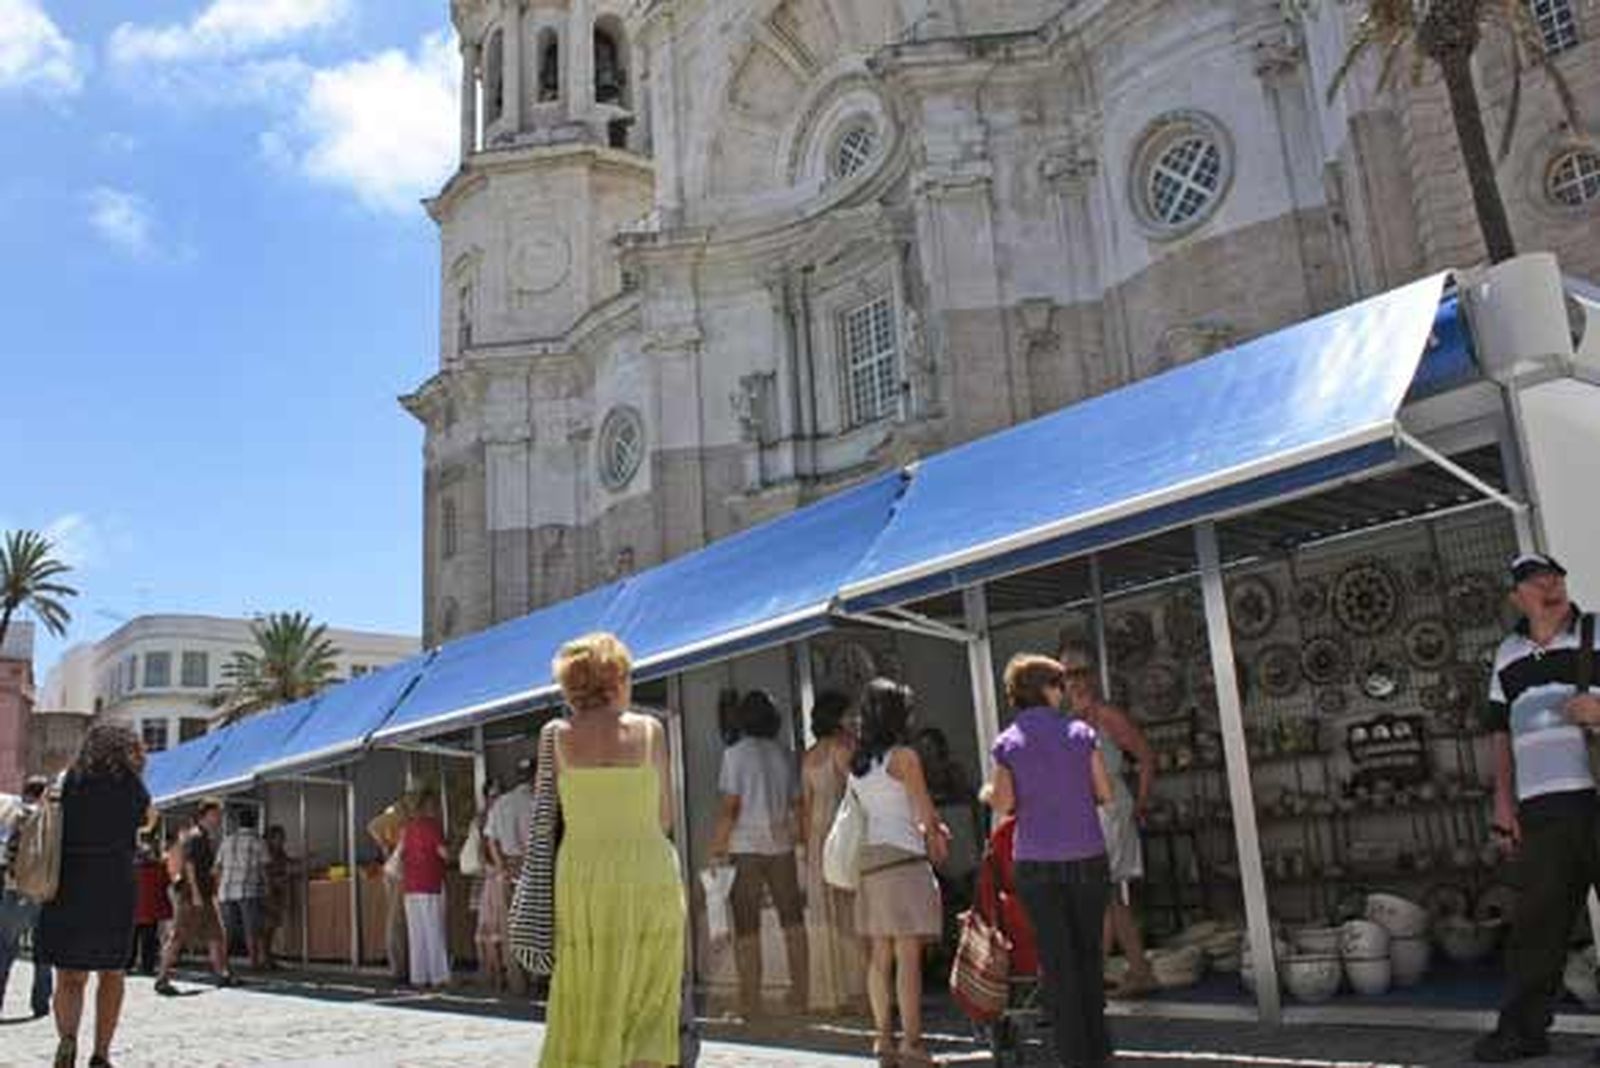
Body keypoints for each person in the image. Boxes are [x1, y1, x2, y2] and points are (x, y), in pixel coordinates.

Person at [1473, 553, 1600, 1062]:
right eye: (1534, 580)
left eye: (1555, 576)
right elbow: (1500, 734)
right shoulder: (1507, 655)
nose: (1549, 585)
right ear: (1516, 597)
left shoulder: (1595, 633)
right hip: (1541, 811)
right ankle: (1522, 1032)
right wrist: (1504, 804)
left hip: (1594, 797)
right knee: (1538, 927)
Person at [539, 632, 684, 1068]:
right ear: (617, 677)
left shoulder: (557, 736)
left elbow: (550, 811)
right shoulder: (648, 731)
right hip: (647, 870)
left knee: (588, 988)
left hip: (583, 876)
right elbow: (665, 816)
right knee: (650, 995)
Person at [984, 654, 1114, 1068]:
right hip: (1086, 856)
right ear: (1046, 689)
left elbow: (1004, 805)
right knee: (1088, 956)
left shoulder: (1008, 743)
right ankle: (1099, 1053)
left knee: (1057, 964)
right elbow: (1105, 792)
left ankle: (1073, 1057)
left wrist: (989, 792)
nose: (1063, 693)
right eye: (1059, 685)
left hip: (1036, 862)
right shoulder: (1080, 733)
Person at [35, 724, 153, 1068]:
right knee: (112, 973)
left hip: (67, 883)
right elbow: (146, 822)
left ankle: (67, 1041)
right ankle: (101, 1054)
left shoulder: (67, 781)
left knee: (69, 975)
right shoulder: (131, 786)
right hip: (114, 885)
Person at [849, 678, 949, 1068]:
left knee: (879, 955)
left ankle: (882, 1039)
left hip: (871, 861)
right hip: (904, 860)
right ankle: (913, 1043)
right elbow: (924, 813)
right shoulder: (905, 757)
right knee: (909, 955)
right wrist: (937, 833)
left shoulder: (857, 765)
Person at [1059, 640, 1158, 997]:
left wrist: (1142, 802)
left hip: (1111, 810)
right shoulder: (1068, 721)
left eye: (1082, 672)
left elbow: (1145, 755)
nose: (1076, 680)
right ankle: (1132, 970)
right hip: (1089, 814)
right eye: (1069, 674)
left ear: (1094, 677)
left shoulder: (1106, 716)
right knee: (1105, 895)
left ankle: (1106, 973)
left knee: (1101, 893)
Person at [708, 689, 808, 1018]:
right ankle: (801, 992)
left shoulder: (734, 754)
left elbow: (730, 807)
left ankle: (750, 1000)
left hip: (745, 848)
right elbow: (796, 804)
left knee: (747, 926)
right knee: (792, 921)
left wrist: (717, 848)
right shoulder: (784, 754)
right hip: (781, 846)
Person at [799, 690, 864, 1013]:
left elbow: (806, 807)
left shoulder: (809, 756)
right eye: (848, 715)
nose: (853, 720)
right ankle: (858, 989)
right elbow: (856, 792)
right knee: (851, 912)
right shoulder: (844, 749)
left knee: (823, 914)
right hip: (842, 833)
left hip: (816, 837)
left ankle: (828, 993)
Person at [914, 726, 982, 976]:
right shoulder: (915, 773)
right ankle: (938, 956)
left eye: (931, 747)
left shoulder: (953, 771)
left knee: (962, 896)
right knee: (937, 899)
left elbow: (968, 798)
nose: (927, 753)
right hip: (930, 842)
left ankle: (965, 952)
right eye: (922, 747)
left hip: (958, 838)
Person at [155, 799, 233, 996]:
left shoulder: (205, 836)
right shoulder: (195, 836)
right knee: (178, 937)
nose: (218, 818)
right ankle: (162, 978)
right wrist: (197, 893)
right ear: (205, 815)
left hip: (203, 895)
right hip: (192, 896)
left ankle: (221, 974)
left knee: (217, 934)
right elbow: (189, 865)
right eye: (215, 814)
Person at [0, 776, 53, 1019]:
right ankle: (41, 1004)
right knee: (43, 951)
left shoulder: (19, 815)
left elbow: (10, 853)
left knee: (5, 947)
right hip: (45, 892)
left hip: (17, 890)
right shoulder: (52, 819)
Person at [486, 755, 536, 995]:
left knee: (510, 928)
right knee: (536, 924)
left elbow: (491, 839)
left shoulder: (501, 803)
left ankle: (518, 983)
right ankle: (538, 979)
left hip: (505, 869)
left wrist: (501, 867)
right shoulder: (535, 802)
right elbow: (533, 842)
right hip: (530, 868)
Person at [399, 792, 451, 990]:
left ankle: (418, 977)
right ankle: (438, 977)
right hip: (430, 884)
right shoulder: (432, 827)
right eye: (435, 805)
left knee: (416, 933)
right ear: (428, 807)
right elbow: (444, 853)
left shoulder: (407, 829)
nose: (437, 809)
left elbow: (402, 854)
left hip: (410, 886)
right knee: (434, 930)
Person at [367, 789, 414, 985]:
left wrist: (385, 847)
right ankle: (400, 968)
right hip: (398, 873)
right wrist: (386, 846)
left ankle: (402, 966)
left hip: (393, 871)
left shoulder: (397, 820)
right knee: (397, 921)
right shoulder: (399, 818)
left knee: (398, 921)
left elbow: (372, 827)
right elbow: (372, 826)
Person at [215, 807, 269, 970]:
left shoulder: (227, 840)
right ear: (254, 823)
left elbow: (217, 867)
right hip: (248, 890)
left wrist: (218, 887)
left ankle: (224, 964)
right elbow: (265, 867)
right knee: (251, 928)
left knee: (227, 930)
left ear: (238, 823)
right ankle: (254, 963)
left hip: (225, 890)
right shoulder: (258, 841)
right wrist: (268, 886)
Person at [473, 779, 507, 992]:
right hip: (491, 876)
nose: (496, 798)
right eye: (493, 794)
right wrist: (493, 867)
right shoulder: (484, 818)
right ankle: (493, 972)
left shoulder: (489, 816)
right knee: (491, 925)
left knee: (491, 926)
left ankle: (495, 972)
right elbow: (481, 849)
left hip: (490, 875)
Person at [127, 832, 171, 977]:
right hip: (151, 912)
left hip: (133, 911)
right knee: (149, 940)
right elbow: (166, 883)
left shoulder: (131, 871)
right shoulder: (159, 869)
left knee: (132, 940)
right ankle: (147, 967)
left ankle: (128, 965)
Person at [261, 826, 292, 970]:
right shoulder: (265, 852)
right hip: (268, 893)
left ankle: (268, 957)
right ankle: (265, 958)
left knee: (272, 926)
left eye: (283, 837)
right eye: (280, 837)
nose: (283, 840)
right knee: (268, 926)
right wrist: (272, 885)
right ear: (271, 838)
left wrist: (304, 859)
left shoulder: (279, 852)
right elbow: (264, 874)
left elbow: (288, 862)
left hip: (276, 891)